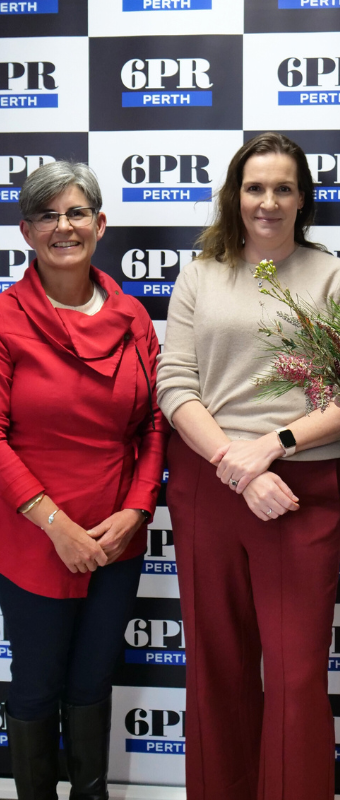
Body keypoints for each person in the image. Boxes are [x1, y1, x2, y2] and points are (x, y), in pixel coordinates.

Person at [156, 133, 340, 800]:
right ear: (235, 195)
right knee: (216, 669)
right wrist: (234, 462)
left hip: (300, 487)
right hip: (208, 480)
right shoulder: (200, 274)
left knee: (297, 675)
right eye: (255, 188)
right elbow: (174, 386)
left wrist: (272, 445)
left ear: (303, 198)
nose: (268, 202)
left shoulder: (332, 277)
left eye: (283, 188)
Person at [0, 161, 167, 800]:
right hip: (34, 542)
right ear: (26, 231)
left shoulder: (133, 317)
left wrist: (137, 512)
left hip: (117, 538)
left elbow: (153, 428)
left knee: (94, 683)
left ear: (100, 224)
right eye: (47, 215)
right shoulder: (8, 319)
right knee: (38, 686)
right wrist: (55, 524)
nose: (63, 227)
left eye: (75, 213)